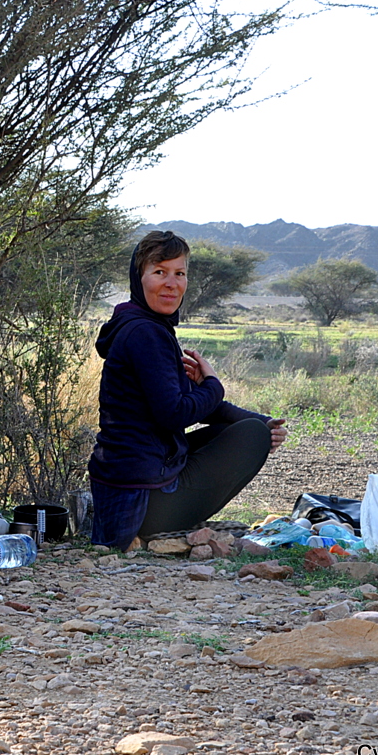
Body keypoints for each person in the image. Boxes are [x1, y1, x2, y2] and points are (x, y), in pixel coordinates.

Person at [88, 230, 288, 550]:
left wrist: (264, 423)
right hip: (141, 505)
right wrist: (213, 385)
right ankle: (157, 533)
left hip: (127, 491)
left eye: (179, 274)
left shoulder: (139, 325)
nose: (172, 283)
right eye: (160, 272)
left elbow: (199, 406)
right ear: (138, 278)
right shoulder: (146, 333)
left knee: (247, 429)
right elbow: (175, 413)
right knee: (250, 437)